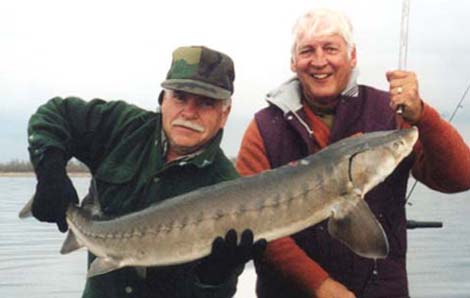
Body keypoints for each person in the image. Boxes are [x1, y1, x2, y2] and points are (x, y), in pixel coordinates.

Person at [236, 8, 470, 298]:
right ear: (293, 62)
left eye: (331, 48)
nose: (319, 61)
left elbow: (460, 178)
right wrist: (319, 285)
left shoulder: (391, 112)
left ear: (353, 56)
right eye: (307, 50)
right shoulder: (264, 128)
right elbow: (252, 225)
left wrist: (424, 115)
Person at [28, 45, 266, 298]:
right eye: (180, 97)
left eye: (206, 103)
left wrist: (215, 278)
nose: (189, 112)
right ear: (163, 99)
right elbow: (54, 114)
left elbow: (217, 293)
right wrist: (49, 170)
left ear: (224, 113)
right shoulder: (122, 127)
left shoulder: (228, 190)